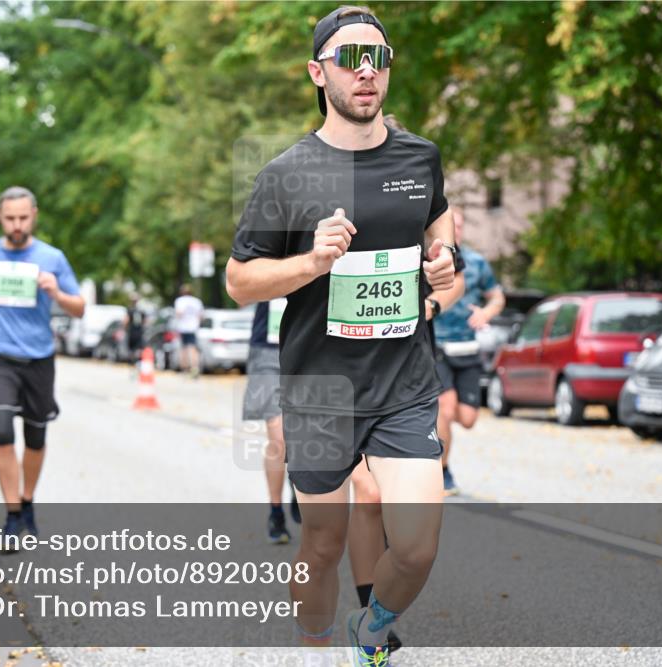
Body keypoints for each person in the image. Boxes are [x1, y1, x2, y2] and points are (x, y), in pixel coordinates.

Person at [226, 6, 465, 665]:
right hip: (320, 389)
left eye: (378, 58)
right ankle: (312, 644)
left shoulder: (420, 157)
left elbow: (441, 231)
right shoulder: (286, 174)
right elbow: (240, 280)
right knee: (323, 542)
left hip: (403, 383)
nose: (367, 71)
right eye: (349, 58)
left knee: (416, 545)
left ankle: (370, 628)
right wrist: (310, 262)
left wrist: (445, 263)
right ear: (316, 72)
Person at [0, 186, 84, 545]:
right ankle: (12, 515)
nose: (17, 224)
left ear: (34, 215)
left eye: (23, 218)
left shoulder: (52, 257)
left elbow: (80, 307)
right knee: (0, 429)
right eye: (10, 218)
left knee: (35, 436)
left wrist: (57, 293)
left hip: (39, 357)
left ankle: (27, 501)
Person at [432, 206, 505, 495]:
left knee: (468, 418)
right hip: (438, 345)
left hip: (468, 348)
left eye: (460, 226)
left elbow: (497, 297)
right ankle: (443, 470)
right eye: (453, 225)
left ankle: (435, 444)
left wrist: (487, 313)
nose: (457, 231)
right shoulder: (433, 259)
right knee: (445, 409)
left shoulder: (476, 262)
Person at [243, 299, 301, 544]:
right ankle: (275, 513)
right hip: (269, 350)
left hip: (311, 347)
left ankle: (299, 484)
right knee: (279, 439)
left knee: (305, 438)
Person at [173, 284, 204, 376]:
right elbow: (201, 316)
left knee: (184, 349)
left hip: (183, 327)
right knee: (193, 349)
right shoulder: (196, 301)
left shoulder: (179, 301)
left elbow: (178, 314)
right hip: (193, 327)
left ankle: (185, 369)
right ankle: (195, 368)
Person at [124, 295, 145, 364]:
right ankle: (138, 361)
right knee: (139, 348)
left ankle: (133, 361)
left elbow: (126, 321)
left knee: (132, 349)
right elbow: (145, 321)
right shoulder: (141, 310)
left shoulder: (130, 309)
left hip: (132, 331)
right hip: (139, 331)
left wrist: (124, 328)